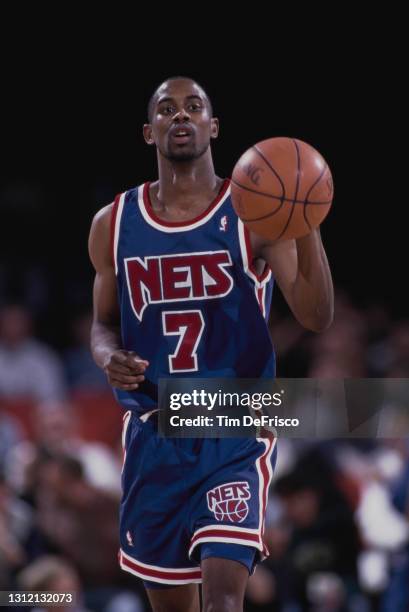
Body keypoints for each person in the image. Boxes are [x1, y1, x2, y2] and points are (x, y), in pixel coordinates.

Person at [88, 76, 334, 612]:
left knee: (224, 601)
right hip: (156, 434)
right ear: (148, 132)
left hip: (234, 431)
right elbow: (102, 324)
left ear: (213, 127)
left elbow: (316, 316)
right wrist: (109, 357)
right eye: (167, 109)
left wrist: (306, 218)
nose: (181, 116)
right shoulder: (114, 224)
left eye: (194, 107)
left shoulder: (256, 214)